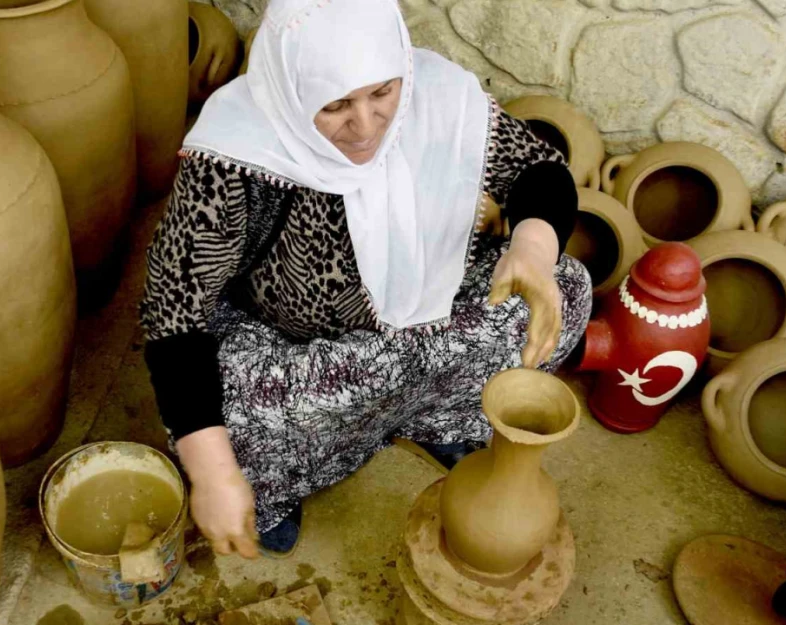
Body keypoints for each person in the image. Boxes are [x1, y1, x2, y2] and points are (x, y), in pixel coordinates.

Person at [140, 0, 591, 560]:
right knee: (216, 421)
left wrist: (531, 246)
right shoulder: (234, 154)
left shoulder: (435, 96)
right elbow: (172, 311)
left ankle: (436, 417)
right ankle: (275, 486)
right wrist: (211, 474)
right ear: (290, 92)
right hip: (289, 343)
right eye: (334, 105)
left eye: (382, 93)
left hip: (419, 316)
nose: (367, 124)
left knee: (563, 290)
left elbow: (538, 170)